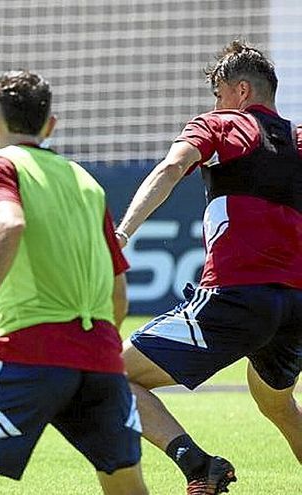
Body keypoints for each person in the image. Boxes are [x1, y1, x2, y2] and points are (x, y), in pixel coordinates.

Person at [0, 70, 148, 495]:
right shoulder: (87, 183)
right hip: (100, 357)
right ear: (50, 125)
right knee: (128, 489)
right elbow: (118, 291)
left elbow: (8, 224)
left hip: (29, 353)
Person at [115, 40, 302, 495]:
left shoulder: (219, 125)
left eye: (218, 93)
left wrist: (121, 235)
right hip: (295, 307)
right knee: (274, 401)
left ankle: (199, 465)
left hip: (236, 298)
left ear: (240, 91)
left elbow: (169, 169)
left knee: (110, 376)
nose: (214, 104)